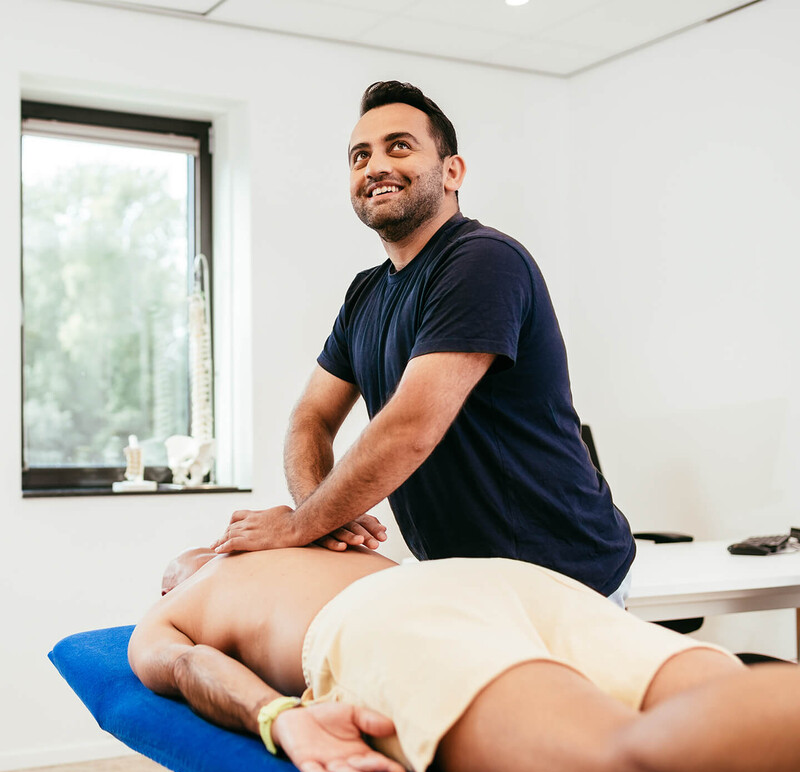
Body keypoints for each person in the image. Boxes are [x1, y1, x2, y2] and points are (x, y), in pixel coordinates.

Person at [211, 80, 634, 603]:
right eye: (360, 156)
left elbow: (411, 427)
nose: (375, 166)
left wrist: (298, 527)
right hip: (460, 582)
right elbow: (311, 418)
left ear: (452, 171)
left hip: (560, 578)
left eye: (400, 146)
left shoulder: (483, 260)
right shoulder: (366, 293)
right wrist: (319, 517)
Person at [131, 545, 800, 772]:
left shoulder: (268, 543)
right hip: (491, 579)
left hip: (392, 613)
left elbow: (191, 665)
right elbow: (189, 665)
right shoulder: (177, 605)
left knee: (628, 765)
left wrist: (276, 716)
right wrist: (280, 716)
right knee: (731, 714)